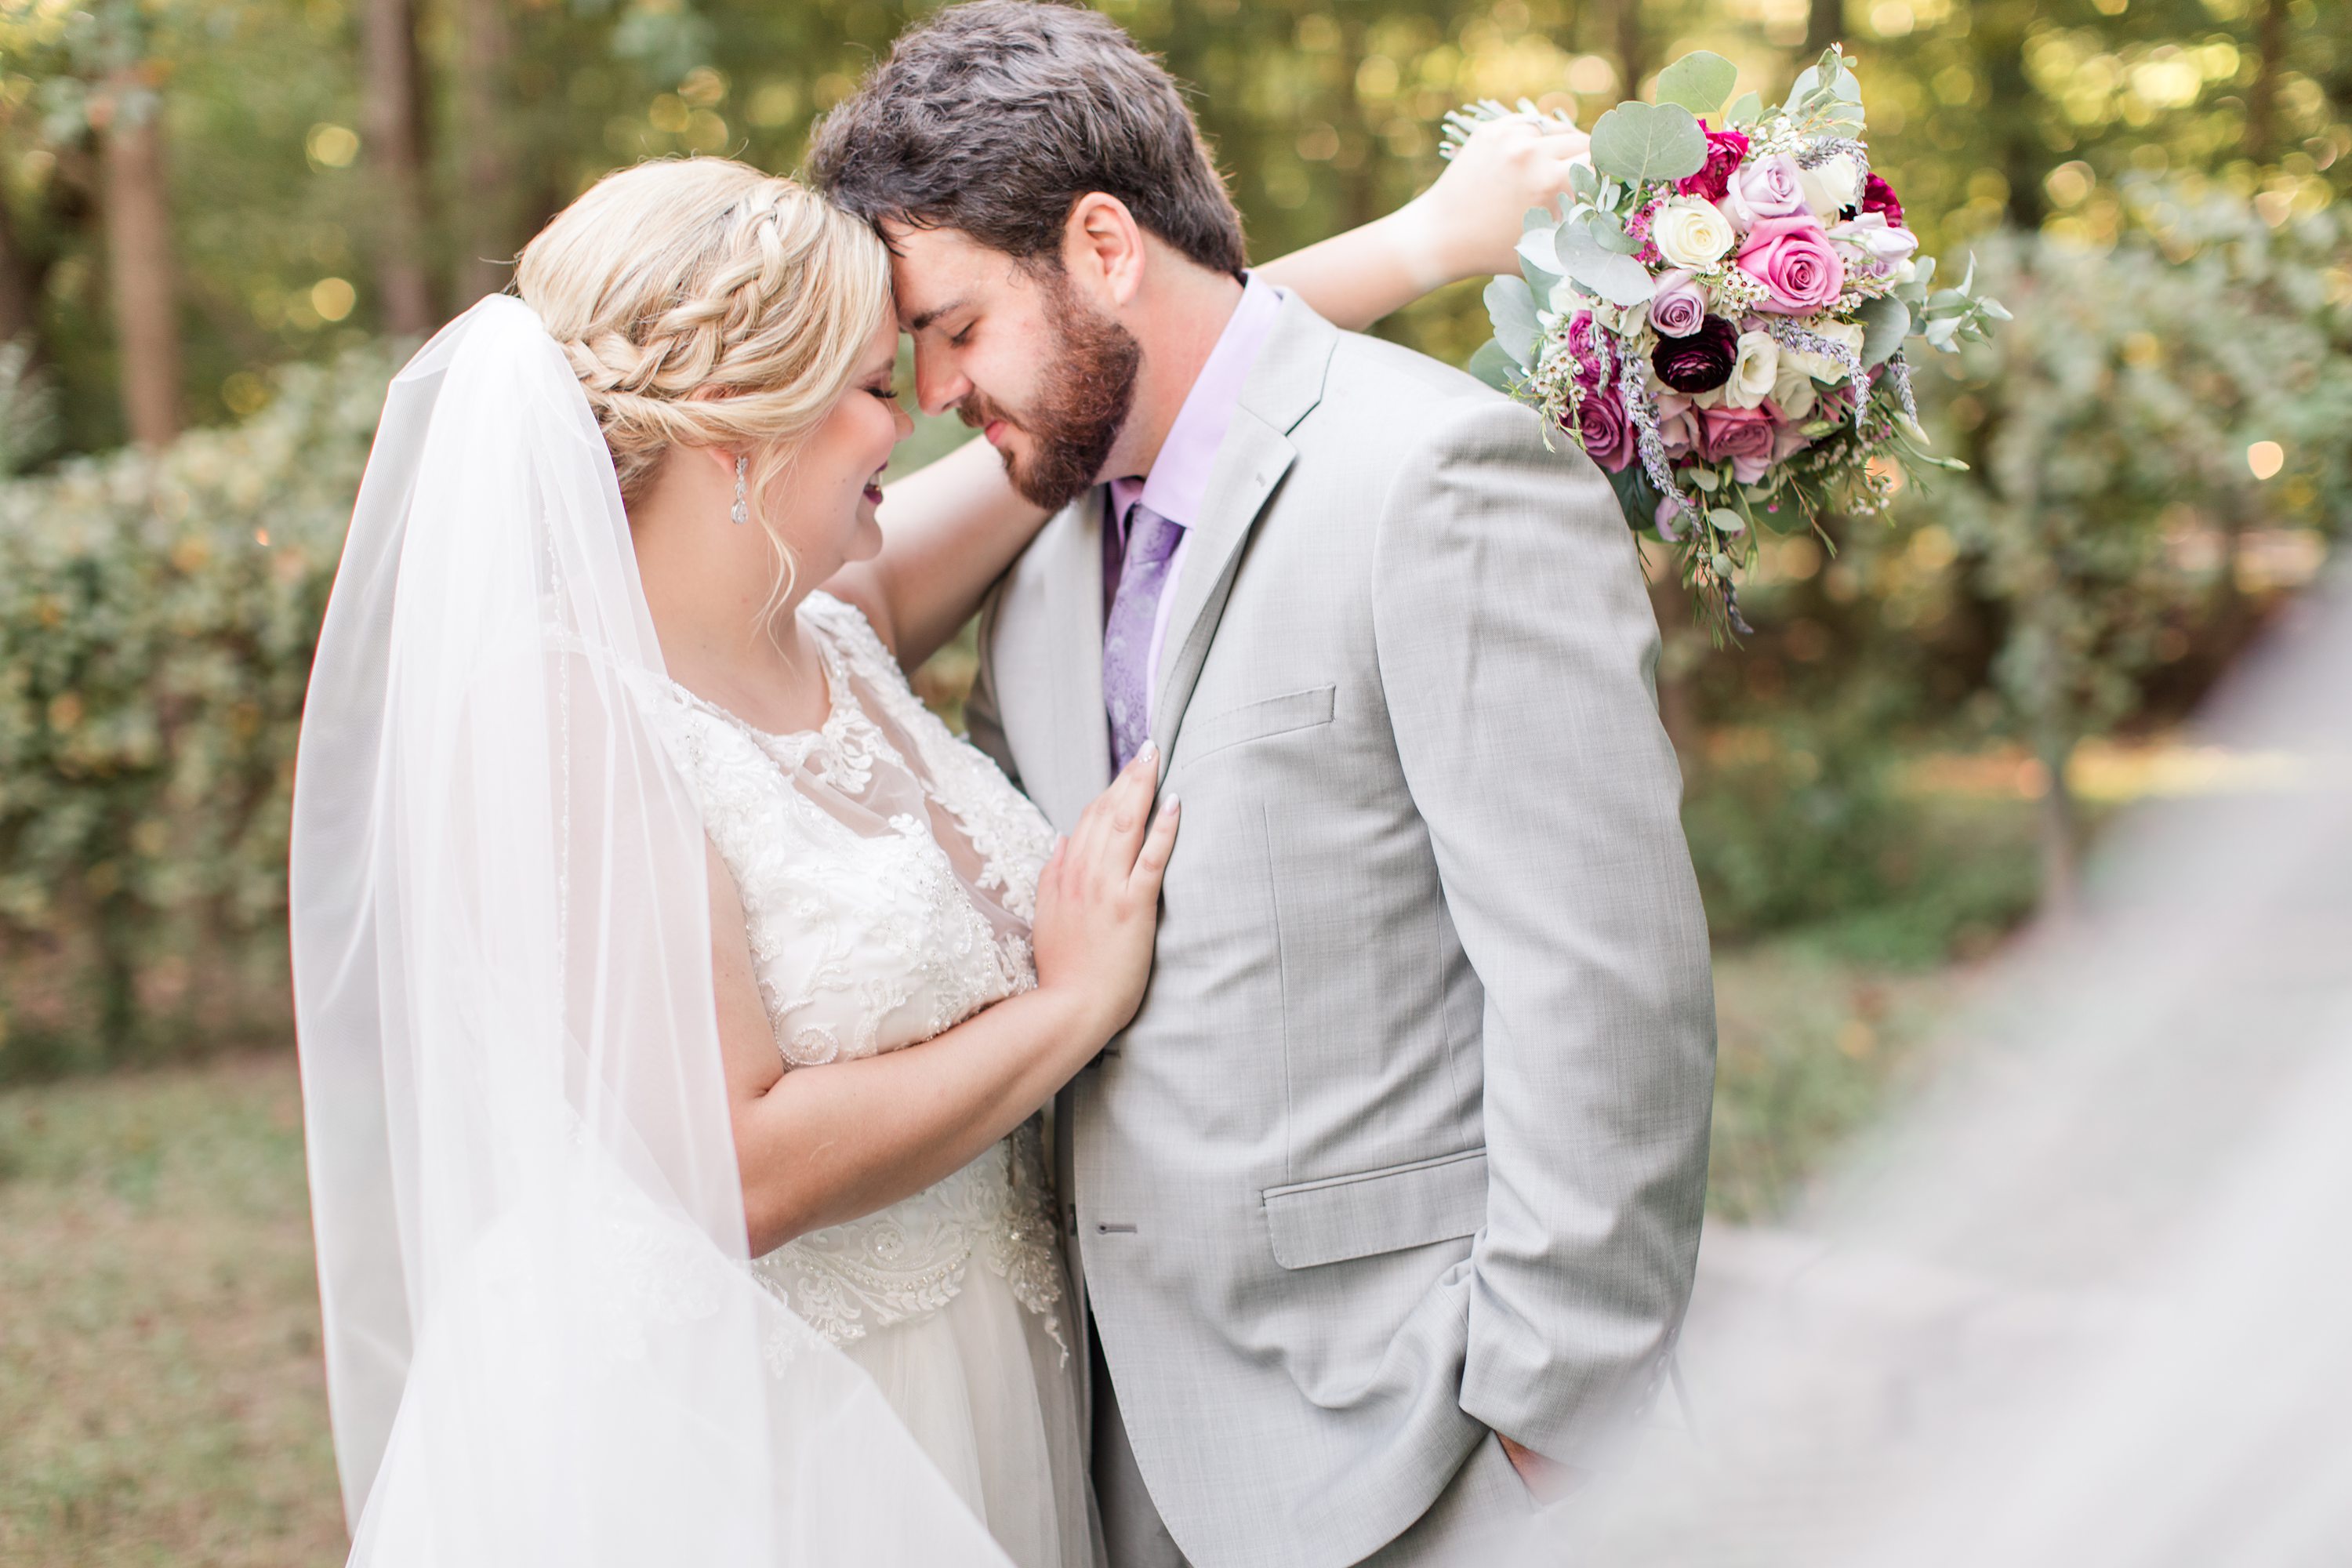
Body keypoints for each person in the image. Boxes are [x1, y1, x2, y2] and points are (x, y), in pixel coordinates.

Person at [289, 111, 1590, 1568]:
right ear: (735, 428)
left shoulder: (833, 625)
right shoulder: (561, 715)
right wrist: (1071, 1006)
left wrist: (1424, 243)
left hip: (991, 1383)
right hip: (760, 1443)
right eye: (868, 385)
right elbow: (739, 1169)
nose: (916, 412)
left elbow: (1150, 373)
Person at [809, 5, 1718, 1566]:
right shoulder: (1040, 546)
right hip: (1123, 1461)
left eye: (954, 326)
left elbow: (1604, 980)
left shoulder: (1438, 476)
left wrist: (1549, 1412)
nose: (939, 386)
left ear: (1103, 247)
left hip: (1429, 1439)